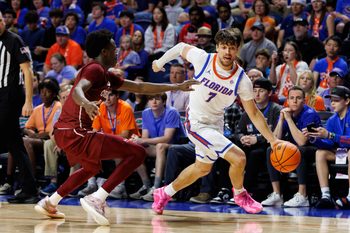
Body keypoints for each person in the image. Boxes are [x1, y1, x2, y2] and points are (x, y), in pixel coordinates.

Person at [34, 29, 197, 225]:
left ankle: (50, 202)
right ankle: (97, 198)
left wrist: (176, 87)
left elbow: (140, 87)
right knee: (137, 152)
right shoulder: (93, 69)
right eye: (114, 48)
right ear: (104, 52)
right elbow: (77, 89)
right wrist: (86, 103)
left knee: (91, 167)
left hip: (67, 132)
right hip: (75, 131)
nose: (117, 52)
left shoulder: (106, 75)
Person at [151, 28, 283, 215]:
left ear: (237, 49)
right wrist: (160, 62)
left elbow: (253, 113)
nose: (227, 52)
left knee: (202, 168)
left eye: (231, 48)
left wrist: (273, 140)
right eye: (223, 47)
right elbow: (181, 47)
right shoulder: (203, 59)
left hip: (215, 124)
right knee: (239, 157)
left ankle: (164, 192)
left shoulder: (242, 80)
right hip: (195, 122)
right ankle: (240, 194)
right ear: (218, 47)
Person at [0, 11, 38, 204]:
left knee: (12, 140)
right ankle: (29, 188)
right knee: (14, 141)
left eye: (0, 20)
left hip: (11, 94)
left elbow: (27, 71)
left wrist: (29, 101)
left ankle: (28, 187)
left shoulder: (15, 40)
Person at [262, 86, 321, 207]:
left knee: (299, 150)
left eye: (298, 98)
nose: (294, 101)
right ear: (287, 100)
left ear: (304, 100)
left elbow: (302, 142)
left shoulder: (310, 114)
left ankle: (302, 195)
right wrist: (281, 119)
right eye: (292, 98)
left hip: (315, 149)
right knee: (271, 150)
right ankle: (277, 194)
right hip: (295, 149)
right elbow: (275, 140)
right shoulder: (286, 112)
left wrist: (289, 120)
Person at [306, 86, 350, 209]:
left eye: (336, 100)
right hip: (341, 152)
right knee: (320, 153)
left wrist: (330, 135)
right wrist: (315, 138)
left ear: (347, 101)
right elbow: (329, 144)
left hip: (348, 152)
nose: (332, 103)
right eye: (331, 100)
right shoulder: (332, 120)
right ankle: (325, 195)